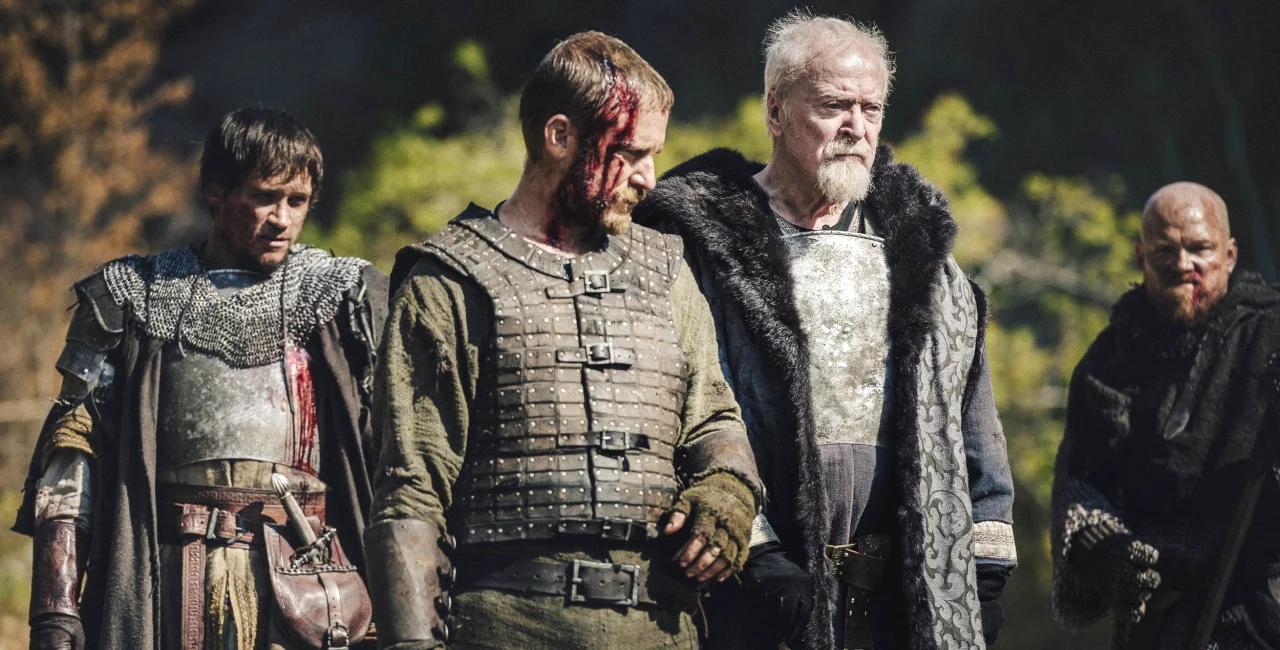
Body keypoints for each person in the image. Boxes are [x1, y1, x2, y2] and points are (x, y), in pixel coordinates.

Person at [364, 31, 764, 650]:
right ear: (559, 136)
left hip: (660, 629)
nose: (650, 179)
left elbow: (713, 416)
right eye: (631, 153)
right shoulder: (449, 281)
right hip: (504, 631)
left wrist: (730, 489)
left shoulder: (666, 270)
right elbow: (410, 491)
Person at [633, 11, 1017, 650]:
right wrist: (755, 556)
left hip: (895, 608)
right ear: (775, 111)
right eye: (835, 106)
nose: (856, 128)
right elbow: (674, 411)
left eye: (871, 109)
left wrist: (985, 565)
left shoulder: (922, 257)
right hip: (748, 598)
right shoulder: (697, 245)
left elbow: (974, 422)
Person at [14, 106, 388, 650]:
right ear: (216, 192)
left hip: (309, 593)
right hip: (164, 584)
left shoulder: (345, 300)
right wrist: (55, 609)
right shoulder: (131, 296)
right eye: (265, 196)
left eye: (297, 200)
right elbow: (73, 455)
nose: (282, 219)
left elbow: (400, 459)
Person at [1052, 182, 1280, 649]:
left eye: (1200, 249)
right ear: (1141, 256)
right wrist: (1113, 556)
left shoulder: (1271, 338)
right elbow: (1082, 487)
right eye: (1164, 251)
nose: (1183, 264)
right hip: (1161, 622)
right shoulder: (1109, 364)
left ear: (1230, 255)